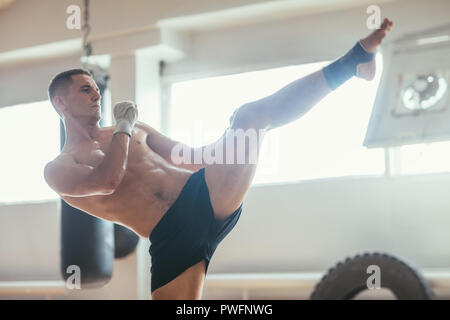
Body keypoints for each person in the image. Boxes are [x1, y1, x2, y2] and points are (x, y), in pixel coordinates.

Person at [44, 19, 393, 299]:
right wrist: (123, 125)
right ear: (61, 103)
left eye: (94, 87)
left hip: (204, 193)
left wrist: (230, 144)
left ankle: (352, 62)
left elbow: (192, 157)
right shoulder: (59, 169)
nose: (95, 95)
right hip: (170, 238)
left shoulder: (136, 131)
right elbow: (108, 181)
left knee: (250, 117)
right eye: (84, 89)